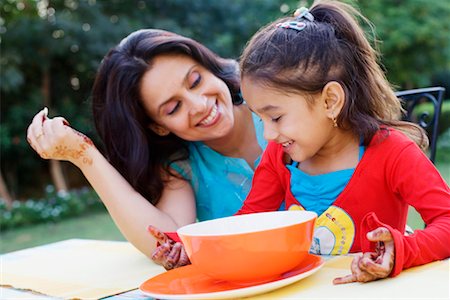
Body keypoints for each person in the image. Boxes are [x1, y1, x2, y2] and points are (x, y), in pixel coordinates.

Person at [152, 0, 450, 283]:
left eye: (276, 118)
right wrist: (188, 247)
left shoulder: (393, 152)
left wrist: (401, 251)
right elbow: (248, 221)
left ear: (330, 101)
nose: (267, 134)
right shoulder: (280, 157)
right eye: (260, 118)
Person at [26, 29, 267, 262]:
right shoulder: (181, 164)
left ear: (209, 67)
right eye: (173, 108)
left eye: (195, 80)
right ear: (157, 127)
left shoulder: (273, 99)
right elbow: (165, 243)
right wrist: (84, 155)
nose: (199, 105)